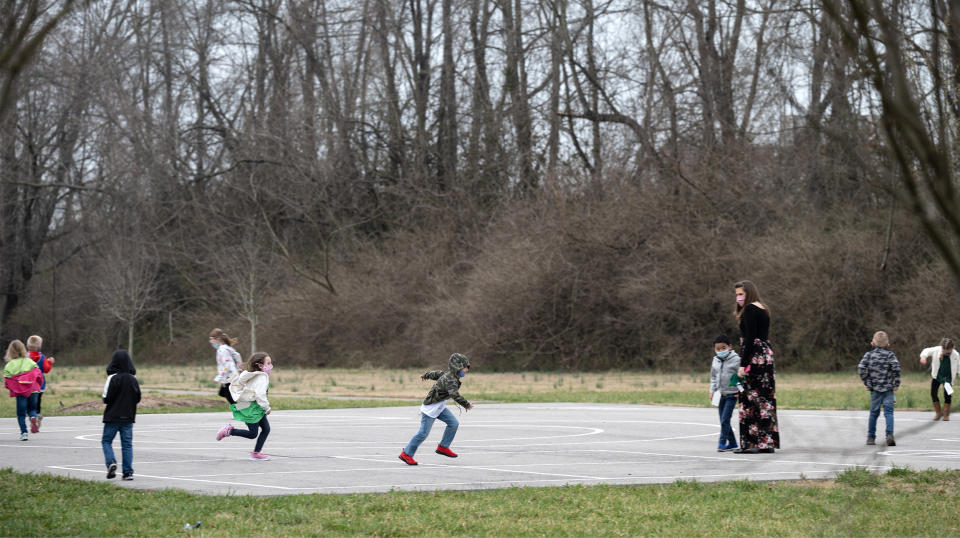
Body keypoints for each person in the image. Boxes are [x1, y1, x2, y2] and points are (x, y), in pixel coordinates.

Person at [399, 353, 473, 465]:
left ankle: (443, 447)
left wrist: (426, 375)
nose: (466, 370)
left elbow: (436, 373)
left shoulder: (449, 375)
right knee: (423, 434)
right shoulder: (451, 380)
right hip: (430, 408)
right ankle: (406, 454)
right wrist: (466, 404)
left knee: (453, 423)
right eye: (464, 368)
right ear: (457, 367)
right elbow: (455, 395)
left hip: (439, 406)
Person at [733, 280, 780, 454]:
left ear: (749, 293)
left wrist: (743, 364)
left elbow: (750, 338)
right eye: (737, 294)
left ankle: (751, 443)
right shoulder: (763, 308)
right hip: (765, 356)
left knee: (749, 398)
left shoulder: (750, 309)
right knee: (765, 398)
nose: (738, 298)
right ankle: (766, 443)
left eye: (741, 294)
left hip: (753, 357)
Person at [216, 352, 273, 461]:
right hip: (251, 408)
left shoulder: (255, 374)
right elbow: (260, 394)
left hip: (253, 406)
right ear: (260, 366)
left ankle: (256, 453)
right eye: (268, 363)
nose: (271, 366)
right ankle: (228, 431)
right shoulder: (261, 377)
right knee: (252, 434)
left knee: (266, 429)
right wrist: (267, 407)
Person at [102, 350, 141, 480]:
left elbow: (106, 398)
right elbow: (138, 397)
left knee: (106, 441)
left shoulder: (111, 378)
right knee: (127, 445)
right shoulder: (133, 379)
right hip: (128, 417)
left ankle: (111, 462)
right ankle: (128, 472)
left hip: (112, 416)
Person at [858, 331, 901, 446]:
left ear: (872, 343)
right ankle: (889, 435)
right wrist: (896, 382)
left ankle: (871, 437)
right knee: (889, 413)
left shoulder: (869, 355)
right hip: (888, 388)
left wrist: (867, 381)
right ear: (888, 345)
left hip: (875, 389)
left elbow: (861, 368)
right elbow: (896, 368)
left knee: (873, 413)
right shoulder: (890, 355)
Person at [3, 340, 42, 441]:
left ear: (10, 352)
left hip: (20, 391)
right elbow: (38, 375)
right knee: (32, 409)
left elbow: (7, 381)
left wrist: (12, 387)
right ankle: (33, 417)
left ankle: (24, 433)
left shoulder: (9, 365)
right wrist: (38, 385)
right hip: (33, 389)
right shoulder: (30, 362)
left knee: (21, 413)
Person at [710, 334, 740, 452]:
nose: (721, 351)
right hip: (720, 394)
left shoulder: (737, 360)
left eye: (723, 348)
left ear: (730, 347)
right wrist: (712, 391)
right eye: (718, 349)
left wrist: (740, 390)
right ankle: (732, 443)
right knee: (723, 420)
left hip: (732, 395)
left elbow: (741, 376)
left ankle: (722, 442)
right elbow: (713, 377)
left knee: (725, 420)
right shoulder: (715, 360)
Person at [919, 338, 959, 421]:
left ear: (953, 348)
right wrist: (923, 357)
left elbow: (959, 367)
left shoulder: (956, 355)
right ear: (941, 348)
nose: (946, 353)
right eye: (944, 351)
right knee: (933, 393)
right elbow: (926, 351)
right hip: (937, 376)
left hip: (948, 378)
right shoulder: (937, 350)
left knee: (947, 395)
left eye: (948, 352)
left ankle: (946, 414)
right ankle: (938, 412)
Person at [26, 335, 55, 431]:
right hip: (39, 384)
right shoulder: (42, 357)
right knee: (37, 402)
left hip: (26, 383)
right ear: (39, 346)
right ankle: (37, 415)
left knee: (28, 403)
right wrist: (50, 362)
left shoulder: (25, 356)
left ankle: (32, 416)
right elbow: (46, 370)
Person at [209, 328, 241, 404]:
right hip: (232, 375)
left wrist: (219, 377)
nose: (210, 341)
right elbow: (237, 356)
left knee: (229, 397)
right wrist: (239, 368)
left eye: (211, 339)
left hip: (228, 377)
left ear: (218, 339)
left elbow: (227, 365)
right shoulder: (228, 347)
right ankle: (240, 408)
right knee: (222, 393)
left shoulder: (221, 350)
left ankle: (240, 412)